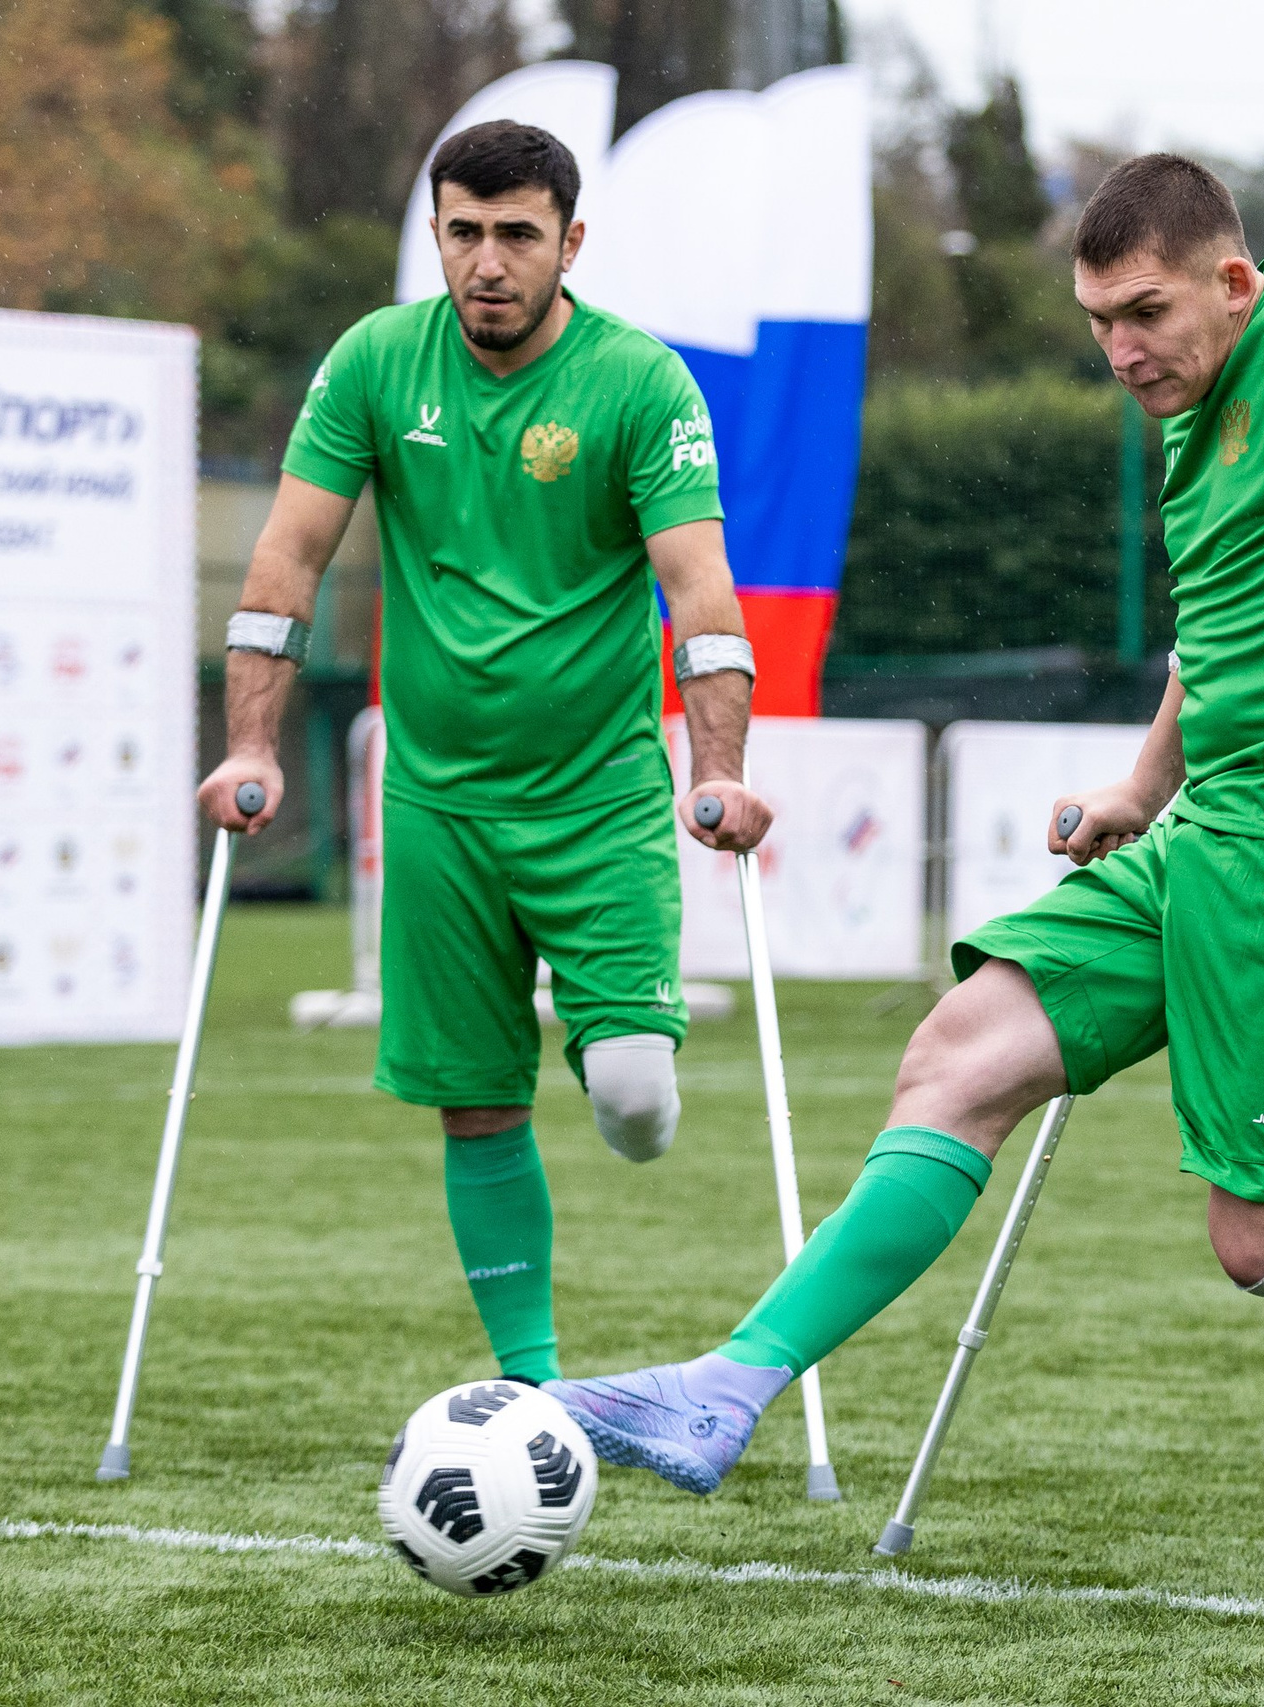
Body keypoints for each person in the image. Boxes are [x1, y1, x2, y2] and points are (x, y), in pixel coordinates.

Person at [550, 153, 1264, 1496]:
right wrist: (1141, 787)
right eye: (1100, 323)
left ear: (1232, 284)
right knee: (954, 1056)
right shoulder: (1195, 406)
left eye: (1146, 313)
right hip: (1205, 832)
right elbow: (1222, 625)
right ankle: (726, 1388)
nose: (1122, 351)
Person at [197, 120, 774, 1388]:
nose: (488, 262)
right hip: (438, 807)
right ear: (437, 235)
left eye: (518, 234)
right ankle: (533, 1389)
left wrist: (718, 770)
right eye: (464, 232)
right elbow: (286, 561)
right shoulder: (372, 364)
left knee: (629, 1097)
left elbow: (704, 594)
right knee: (477, 1101)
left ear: (570, 243)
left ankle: (640, 1104)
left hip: (601, 800)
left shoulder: (640, 383)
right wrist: (253, 745)